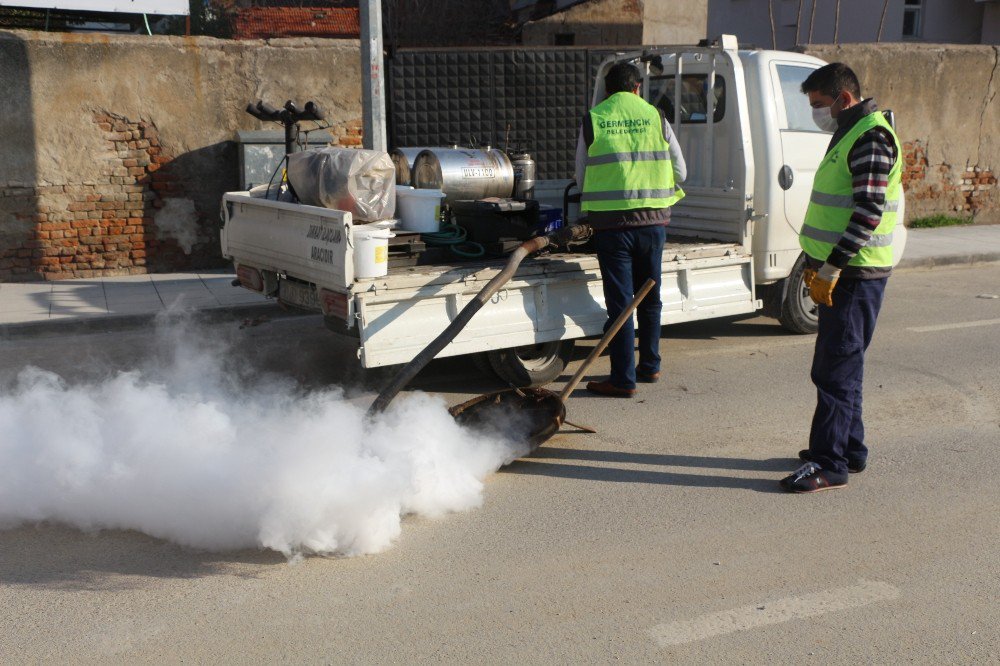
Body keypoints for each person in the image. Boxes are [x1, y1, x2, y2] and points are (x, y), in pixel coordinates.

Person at [780, 62, 902, 493]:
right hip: (842, 270)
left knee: (834, 370)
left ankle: (829, 463)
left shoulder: (869, 137)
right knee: (845, 364)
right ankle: (850, 447)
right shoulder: (853, 129)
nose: (818, 112)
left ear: (843, 98)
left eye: (819, 105)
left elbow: (868, 212)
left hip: (852, 272)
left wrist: (831, 268)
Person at [575, 62, 686, 397]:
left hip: (611, 227)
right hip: (653, 225)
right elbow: (681, 170)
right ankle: (649, 366)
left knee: (621, 304)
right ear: (637, 87)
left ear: (608, 90)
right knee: (650, 297)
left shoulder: (594, 118)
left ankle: (622, 380)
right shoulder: (656, 117)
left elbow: (580, 175)